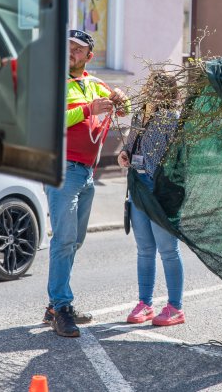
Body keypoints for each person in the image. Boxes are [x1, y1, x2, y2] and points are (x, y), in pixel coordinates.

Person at [44, 29, 128, 338]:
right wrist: (86, 110)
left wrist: (121, 98)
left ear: (88, 56)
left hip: (86, 172)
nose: (71, 52)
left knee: (74, 241)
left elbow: (125, 110)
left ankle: (56, 305)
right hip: (63, 169)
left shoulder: (97, 84)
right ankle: (61, 306)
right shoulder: (53, 81)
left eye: (78, 49)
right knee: (64, 240)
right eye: (66, 47)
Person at [117, 71, 185, 326]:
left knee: (168, 250)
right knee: (145, 250)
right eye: (151, 87)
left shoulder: (173, 119)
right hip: (138, 187)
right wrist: (124, 154)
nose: (154, 92)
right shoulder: (140, 114)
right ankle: (145, 304)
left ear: (170, 91)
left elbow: (180, 160)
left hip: (160, 191)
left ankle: (175, 308)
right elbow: (131, 145)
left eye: (160, 88)